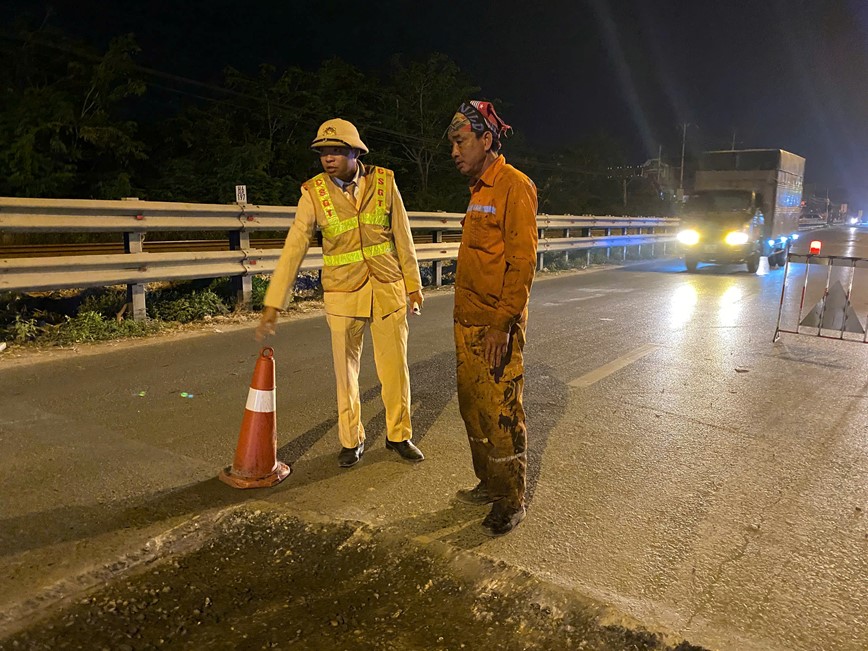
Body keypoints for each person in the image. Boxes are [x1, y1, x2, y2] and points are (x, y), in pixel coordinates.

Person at [256, 118, 425, 468]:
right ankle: (351, 440)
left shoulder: (385, 182)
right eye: (323, 152)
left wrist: (413, 286)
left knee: (395, 369)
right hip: (343, 293)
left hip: (388, 289)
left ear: (355, 152)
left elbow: (403, 236)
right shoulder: (313, 192)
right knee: (346, 373)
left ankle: (399, 435)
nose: (328, 158)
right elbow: (295, 246)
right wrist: (274, 301)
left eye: (336, 151)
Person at [446, 101, 538, 537]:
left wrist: (503, 324)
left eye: (460, 142)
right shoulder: (479, 189)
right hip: (467, 320)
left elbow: (522, 262)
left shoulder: (513, 186)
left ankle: (510, 499)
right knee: (474, 411)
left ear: (486, 140)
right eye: (452, 144)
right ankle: (488, 483)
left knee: (501, 414)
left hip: (495, 326)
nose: (454, 152)